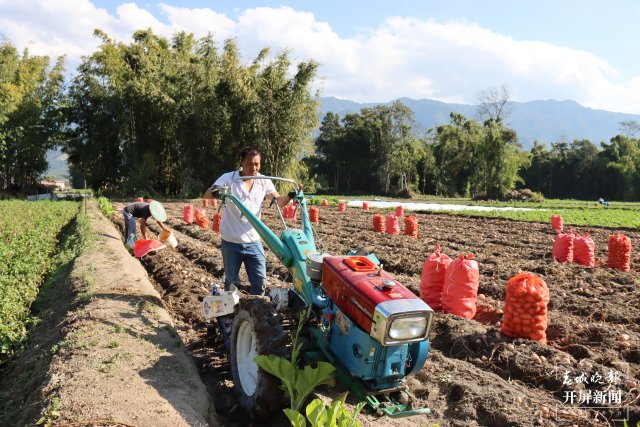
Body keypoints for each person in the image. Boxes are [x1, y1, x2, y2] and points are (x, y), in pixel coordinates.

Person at [205, 146, 294, 296]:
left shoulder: (263, 181)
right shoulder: (229, 178)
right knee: (232, 282)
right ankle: (231, 314)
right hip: (231, 241)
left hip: (254, 240)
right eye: (249, 164)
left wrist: (290, 196)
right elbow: (208, 194)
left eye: (257, 164)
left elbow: (278, 201)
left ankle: (256, 310)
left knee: (259, 281)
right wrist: (216, 191)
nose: (254, 168)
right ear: (241, 162)